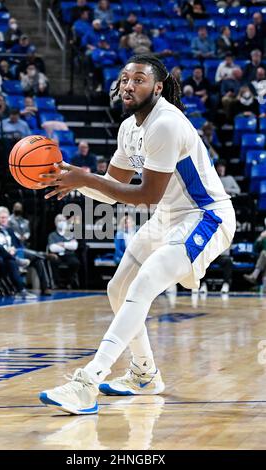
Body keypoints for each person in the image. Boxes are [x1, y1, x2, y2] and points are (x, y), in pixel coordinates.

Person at [38, 54, 236, 415]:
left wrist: (85, 177)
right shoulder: (130, 128)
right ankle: (144, 374)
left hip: (205, 216)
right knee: (119, 287)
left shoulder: (166, 124)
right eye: (125, 79)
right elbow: (114, 187)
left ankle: (87, 384)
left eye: (139, 79)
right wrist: (75, 182)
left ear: (157, 87)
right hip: (168, 216)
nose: (129, 85)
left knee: (145, 283)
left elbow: (146, 195)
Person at [47, 214, 80, 288]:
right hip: (57, 255)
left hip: (69, 255)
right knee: (53, 262)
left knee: (75, 263)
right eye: (59, 220)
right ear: (55, 223)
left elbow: (75, 246)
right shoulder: (52, 235)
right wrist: (68, 246)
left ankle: (69, 282)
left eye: (63, 220)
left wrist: (62, 244)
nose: (61, 222)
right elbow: (52, 248)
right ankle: (57, 283)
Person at [243, 220, 266, 287]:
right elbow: (255, 248)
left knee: (264, 253)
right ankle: (265, 286)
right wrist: (261, 238)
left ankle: (254, 275)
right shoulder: (264, 235)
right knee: (264, 255)